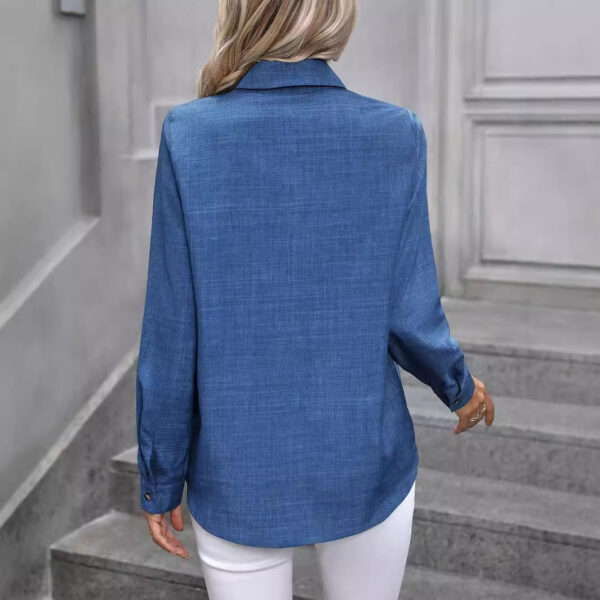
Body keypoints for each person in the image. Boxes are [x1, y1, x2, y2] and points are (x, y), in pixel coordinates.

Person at [135, 1, 495, 598]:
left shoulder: (191, 134)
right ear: (335, 16)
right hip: (362, 458)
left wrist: (161, 472)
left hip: (238, 471)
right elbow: (410, 313)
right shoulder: (394, 132)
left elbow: (172, 331)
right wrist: (459, 386)